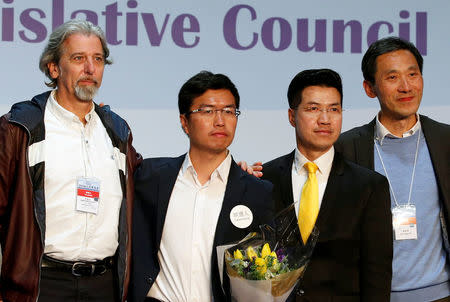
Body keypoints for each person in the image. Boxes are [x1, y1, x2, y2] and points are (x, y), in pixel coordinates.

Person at [0, 20, 141, 302]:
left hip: (104, 286)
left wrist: (222, 170)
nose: (90, 69)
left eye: (98, 59)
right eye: (79, 58)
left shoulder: (117, 131)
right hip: (40, 285)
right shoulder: (20, 128)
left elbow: (149, 184)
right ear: (54, 67)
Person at [129, 71, 275, 302]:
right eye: (207, 111)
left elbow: (266, 273)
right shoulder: (149, 177)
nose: (220, 121)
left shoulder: (257, 192)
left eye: (228, 111)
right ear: (185, 122)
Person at [262, 69, 393, 301]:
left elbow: (377, 275)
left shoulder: (369, 187)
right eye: (313, 109)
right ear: (292, 116)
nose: (325, 119)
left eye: (334, 109)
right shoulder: (264, 179)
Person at [335, 37, 450, 301]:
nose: (406, 86)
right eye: (392, 77)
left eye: (413, 74)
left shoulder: (445, 141)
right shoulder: (346, 148)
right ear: (369, 88)